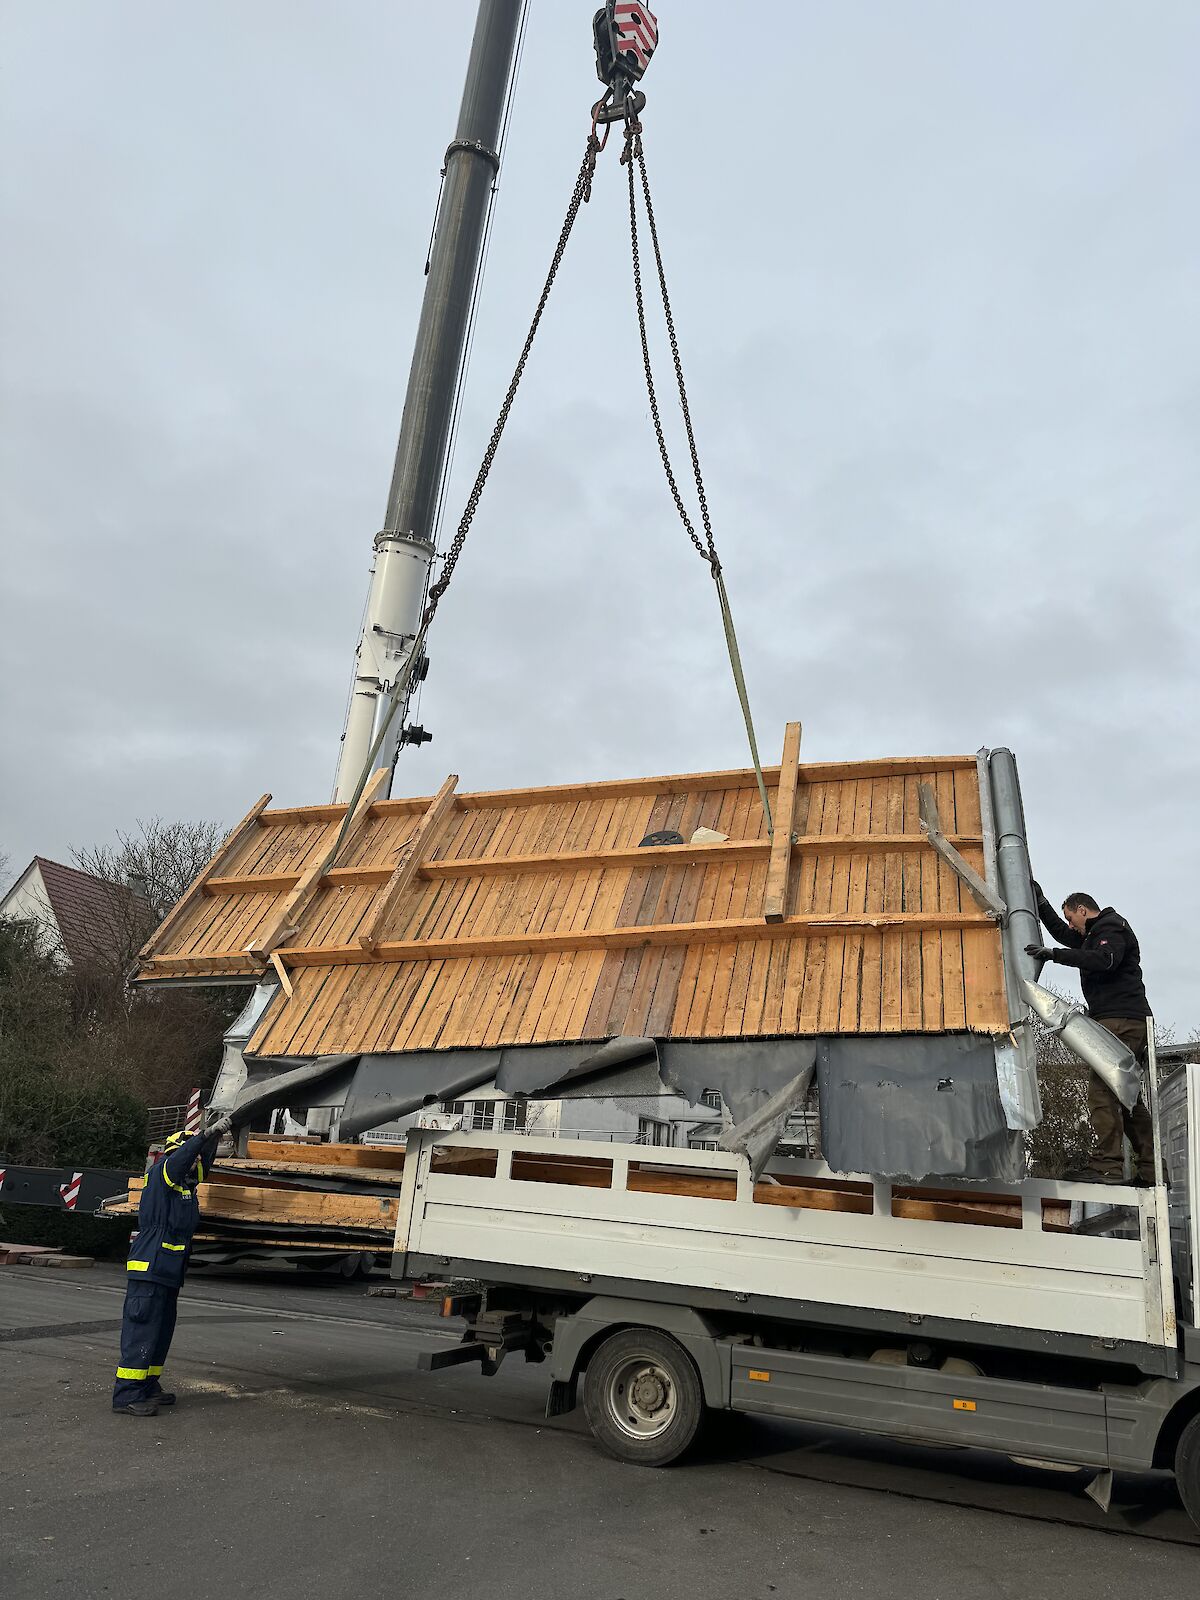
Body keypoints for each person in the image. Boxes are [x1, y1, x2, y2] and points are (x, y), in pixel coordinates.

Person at [1025, 888, 1155, 1183]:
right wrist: (1042, 904)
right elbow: (1063, 934)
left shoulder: (1110, 927)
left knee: (1102, 1092)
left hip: (1120, 1020)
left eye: (1072, 918)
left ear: (1083, 910)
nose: (1071, 926)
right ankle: (1150, 1170)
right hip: (1122, 1020)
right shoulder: (1093, 934)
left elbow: (1104, 960)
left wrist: (1055, 956)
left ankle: (1107, 1166)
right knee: (1127, 1095)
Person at [112, 1114, 231, 1416]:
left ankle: (148, 1385)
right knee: (142, 1330)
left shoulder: (186, 1185)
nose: (194, 1164)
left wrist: (214, 1139)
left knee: (160, 1331)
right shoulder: (163, 1173)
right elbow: (183, 1160)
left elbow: (202, 1164)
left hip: (168, 1272)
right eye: (190, 1157)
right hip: (150, 1269)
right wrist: (202, 1136)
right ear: (175, 1154)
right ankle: (126, 1395)